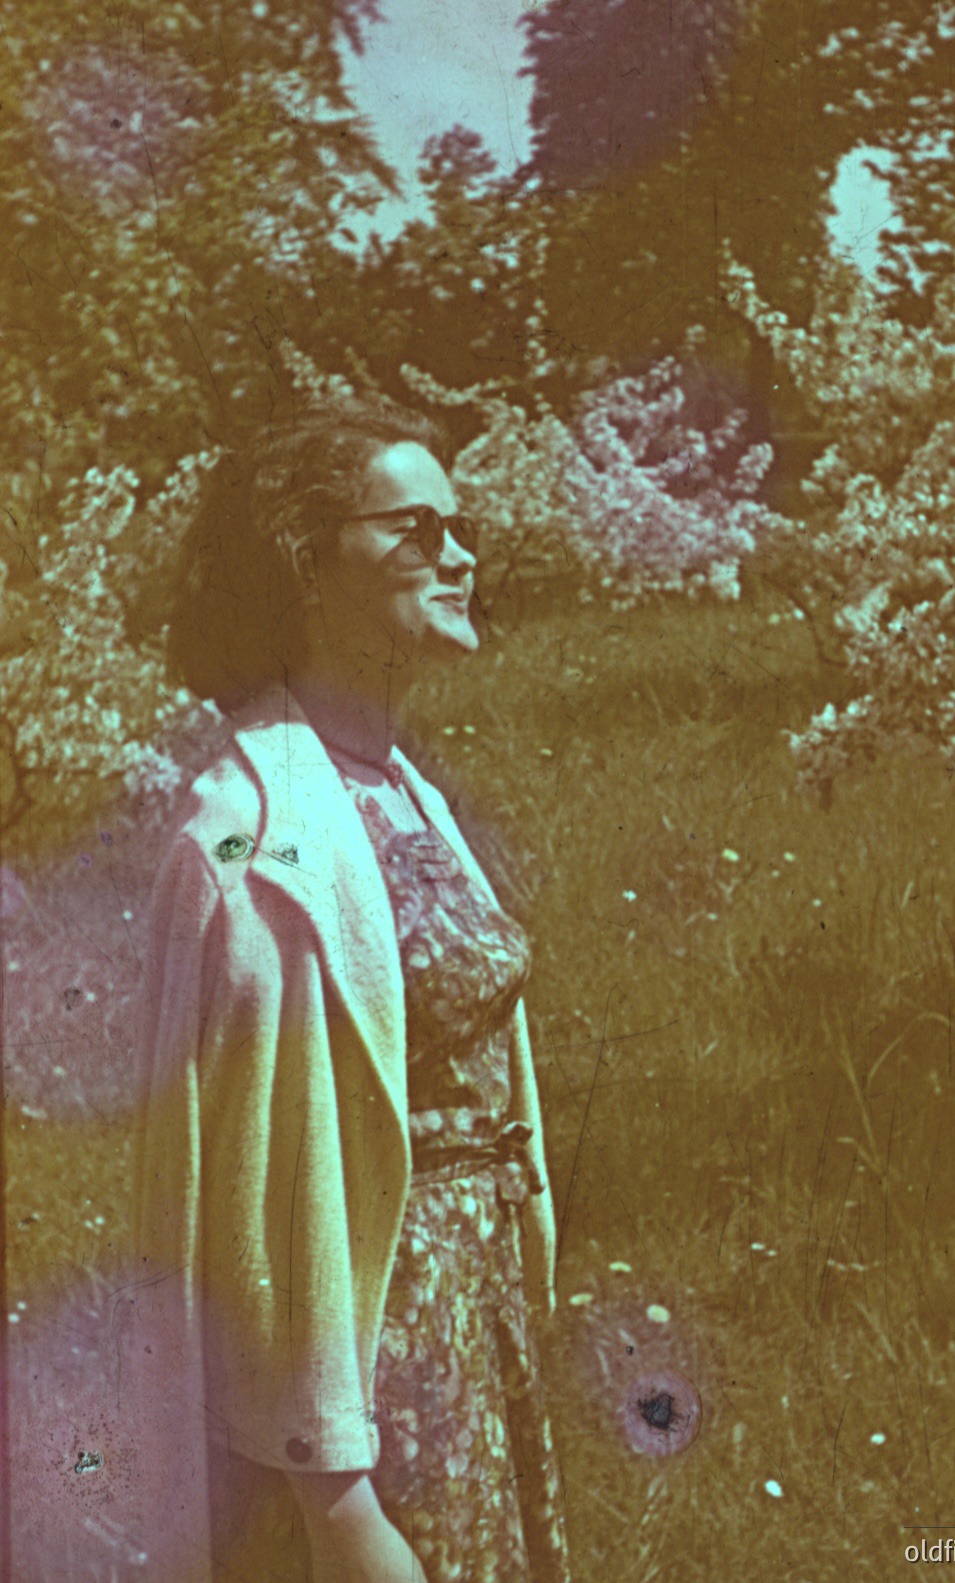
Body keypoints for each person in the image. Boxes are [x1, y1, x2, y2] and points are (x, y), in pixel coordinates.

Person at [133, 396, 570, 1583]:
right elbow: (239, 1201)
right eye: (415, 529)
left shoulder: (393, 785)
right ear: (304, 569)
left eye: (461, 526)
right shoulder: (246, 841)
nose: (459, 554)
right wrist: (338, 1502)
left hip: (468, 1330)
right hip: (363, 1386)